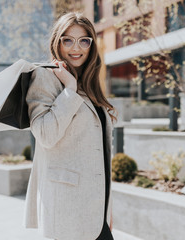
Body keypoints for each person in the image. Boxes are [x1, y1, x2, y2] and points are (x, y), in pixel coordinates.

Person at [24, 12, 116, 240]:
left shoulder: (90, 85)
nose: (76, 48)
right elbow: (45, 135)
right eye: (68, 40)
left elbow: (99, 156)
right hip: (66, 210)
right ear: (57, 41)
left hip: (96, 212)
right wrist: (69, 90)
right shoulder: (45, 77)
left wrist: (107, 209)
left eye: (84, 40)